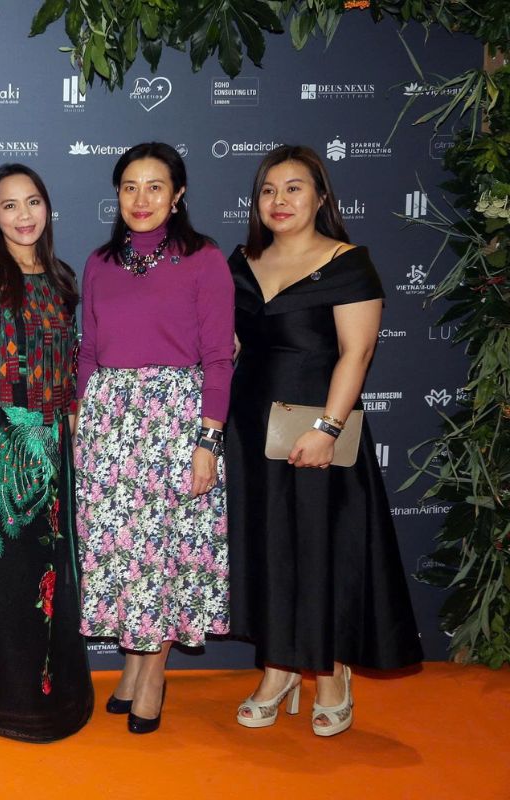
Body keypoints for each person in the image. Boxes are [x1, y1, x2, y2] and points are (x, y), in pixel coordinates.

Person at [225, 145, 423, 736]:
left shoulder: (347, 264)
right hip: (249, 429)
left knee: (319, 548)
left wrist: (327, 429)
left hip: (315, 428)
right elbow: (232, 346)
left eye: (294, 188)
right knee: (268, 548)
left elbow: (356, 353)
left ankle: (332, 672)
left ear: (320, 197)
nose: (279, 200)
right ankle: (279, 669)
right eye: (268, 190)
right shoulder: (241, 262)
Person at [75, 142, 234, 734]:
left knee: (165, 552)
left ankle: (153, 675)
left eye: (155, 187)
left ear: (178, 194)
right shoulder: (99, 262)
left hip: (176, 422)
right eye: (129, 187)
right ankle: (133, 665)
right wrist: (82, 423)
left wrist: (208, 441)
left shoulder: (204, 259)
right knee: (123, 552)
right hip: (109, 423)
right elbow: (89, 352)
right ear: (116, 194)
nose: (141, 199)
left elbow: (218, 358)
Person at [0, 164, 93, 742]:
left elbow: (72, 359)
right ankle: (2, 692)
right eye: (9, 205)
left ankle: (52, 689)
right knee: (3, 565)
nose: (23, 215)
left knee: (51, 566)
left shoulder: (62, 276)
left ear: (47, 208)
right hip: (0, 438)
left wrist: (72, 419)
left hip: (54, 440)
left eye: (32, 202)